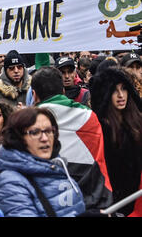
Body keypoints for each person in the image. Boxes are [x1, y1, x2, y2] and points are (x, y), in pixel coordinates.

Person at [31, 67, 113, 212]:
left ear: (34, 95)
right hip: (93, 200)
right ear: (63, 91)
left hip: (48, 204)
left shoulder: (28, 123)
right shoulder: (89, 117)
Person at [0, 107, 85, 217]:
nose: (45, 138)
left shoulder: (57, 167)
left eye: (49, 131)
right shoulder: (10, 182)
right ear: (18, 138)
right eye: (35, 132)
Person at [90, 67, 142, 216]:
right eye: (114, 90)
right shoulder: (100, 129)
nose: (121, 95)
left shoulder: (137, 122)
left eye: (124, 89)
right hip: (113, 204)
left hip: (137, 199)